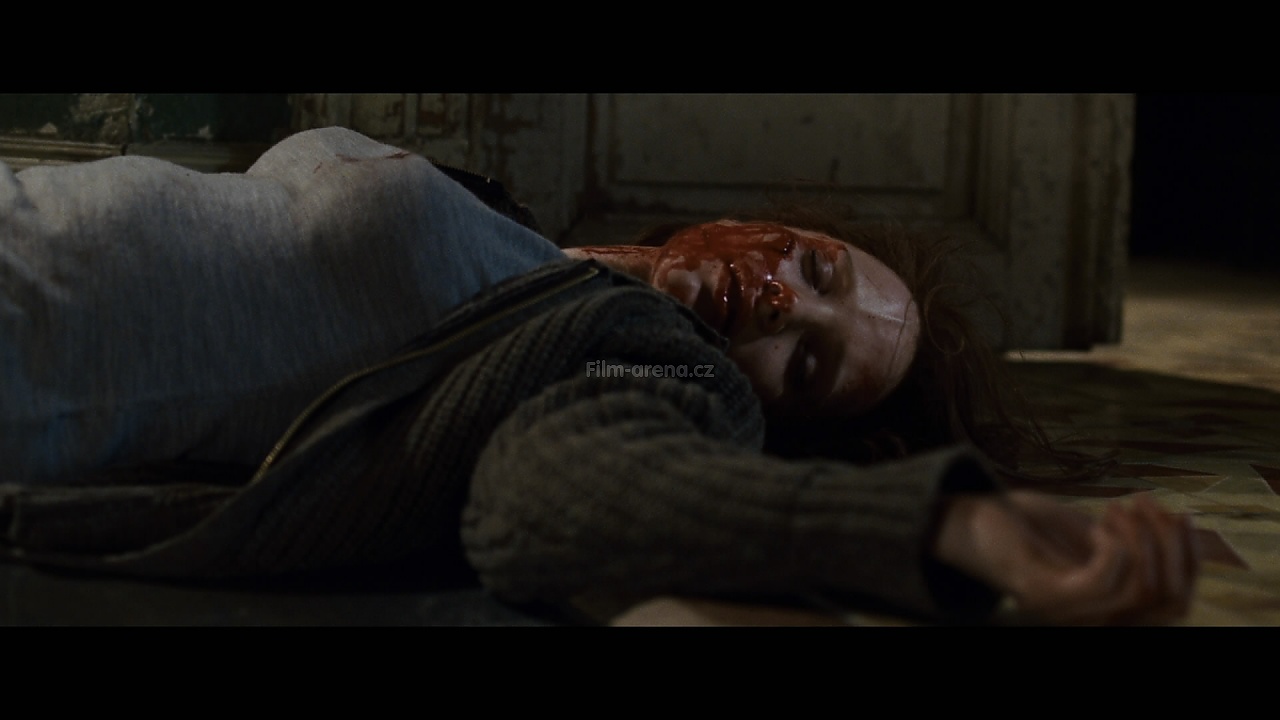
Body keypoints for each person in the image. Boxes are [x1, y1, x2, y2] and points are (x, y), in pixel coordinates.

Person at [0, 126, 1199, 625]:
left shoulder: (650, 361)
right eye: (816, 267)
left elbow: (557, 494)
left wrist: (941, 528)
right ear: (758, 223)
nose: (783, 302)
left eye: (809, 362)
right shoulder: (520, 240)